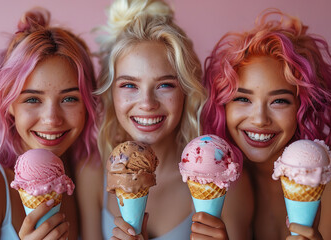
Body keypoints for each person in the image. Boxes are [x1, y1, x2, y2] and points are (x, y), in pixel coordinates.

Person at [77, 0, 253, 239]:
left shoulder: (224, 178)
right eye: (129, 85)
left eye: (165, 85)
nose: (147, 103)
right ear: (111, 93)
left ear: (186, 92)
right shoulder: (92, 174)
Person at [202, 8, 331, 240]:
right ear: (223, 106)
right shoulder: (226, 180)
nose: (260, 119)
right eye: (242, 99)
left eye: (279, 101)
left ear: (303, 107)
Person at [0, 7, 99, 240]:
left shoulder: (79, 170)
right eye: (32, 99)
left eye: (69, 98)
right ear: (8, 103)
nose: (52, 119)